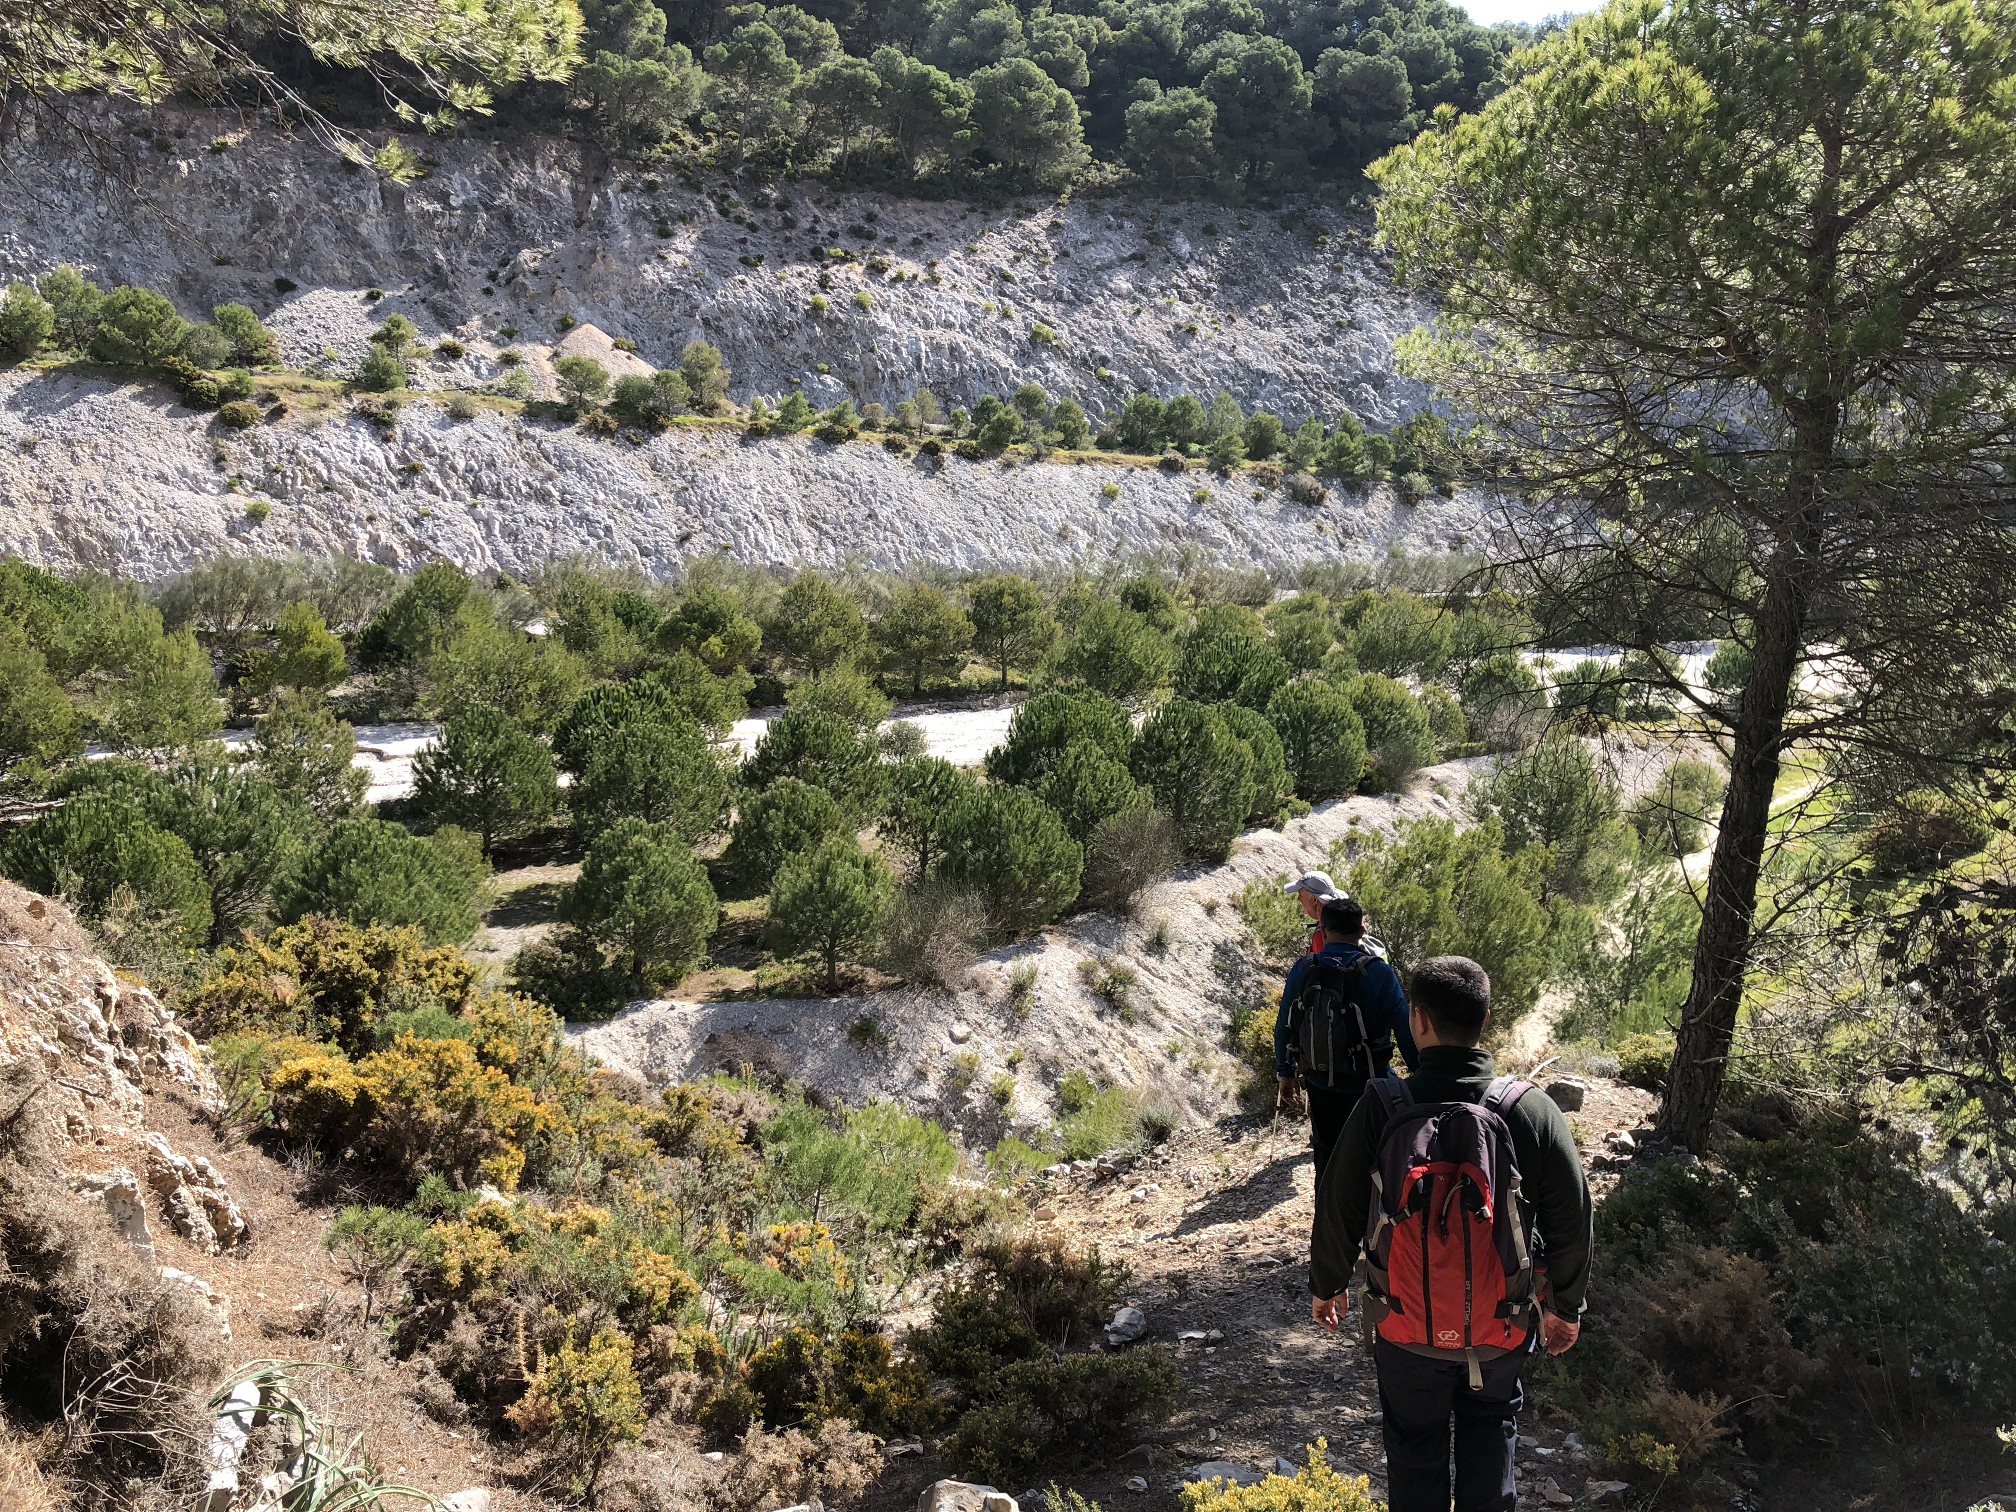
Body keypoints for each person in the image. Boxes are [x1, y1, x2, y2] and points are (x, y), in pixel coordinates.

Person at [1309, 956, 1592, 1512]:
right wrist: (1566, 1305)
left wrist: (1328, 1284)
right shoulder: (1529, 1109)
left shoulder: (1382, 1105)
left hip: (1404, 1326)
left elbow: (1338, 1202)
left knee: (1414, 1447)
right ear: (1485, 1019)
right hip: (1500, 1327)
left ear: (1417, 1020)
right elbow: (1572, 1216)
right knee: (1492, 1428)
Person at [1274, 896, 1417, 1177]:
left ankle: (1326, 1203)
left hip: (1319, 1082)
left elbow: (1284, 1026)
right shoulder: (1378, 971)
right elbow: (1404, 1029)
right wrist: (1421, 1075)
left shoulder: (1303, 968)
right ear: (1361, 931)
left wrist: (1285, 1073)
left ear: (1324, 931)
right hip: (1370, 1085)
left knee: (1326, 1155)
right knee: (1371, 1159)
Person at [1283, 869, 1343, 956]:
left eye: (1300, 895)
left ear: (1314, 899)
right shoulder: (1344, 919)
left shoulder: (1324, 935)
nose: (1298, 899)